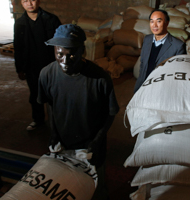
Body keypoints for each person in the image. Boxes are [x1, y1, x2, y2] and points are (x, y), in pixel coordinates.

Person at [38, 24, 119, 200]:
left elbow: (111, 112)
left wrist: (97, 140)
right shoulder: (47, 74)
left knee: (96, 187)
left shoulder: (100, 78)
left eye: (71, 54)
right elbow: (50, 105)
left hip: (91, 146)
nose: (65, 61)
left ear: (83, 50)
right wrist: (54, 133)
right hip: (63, 144)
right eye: (60, 54)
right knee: (67, 186)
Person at [14, 0, 61, 131]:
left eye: (32, 0)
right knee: (35, 95)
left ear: (38, 1)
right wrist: (20, 68)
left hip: (50, 65)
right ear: (21, 3)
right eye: (25, 1)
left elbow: (60, 44)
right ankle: (38, 120)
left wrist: (61, 66)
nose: (29, 3)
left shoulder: (51, 19)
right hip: (31, 66)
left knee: (53, 95)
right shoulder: (20, 23)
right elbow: (18, 47)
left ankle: (57, 123)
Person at [134, 9, 186, 93]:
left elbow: (177, 73)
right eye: (152, 22)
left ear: (167, 23)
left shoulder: (178, 46)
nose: (154, 25)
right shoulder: (147, 39)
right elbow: (143, 63)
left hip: (162, 89)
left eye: (158, 21)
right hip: (142, 86)